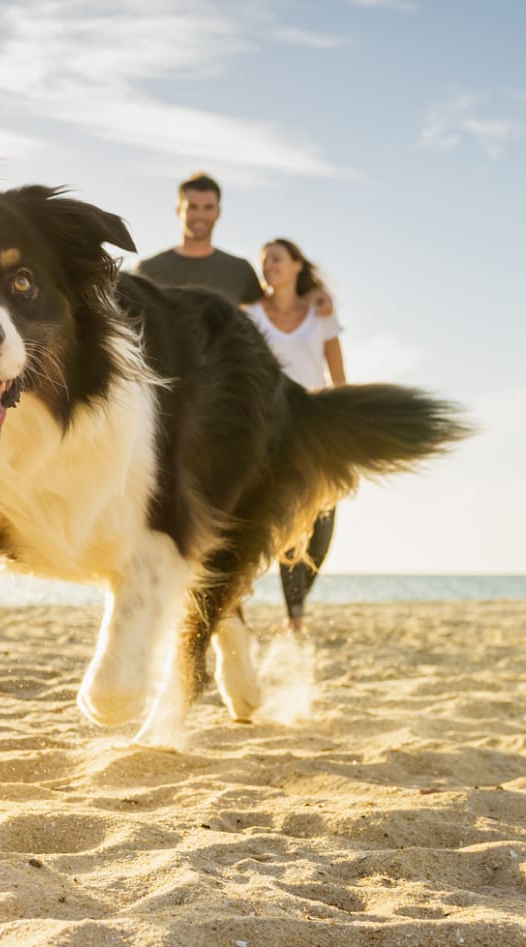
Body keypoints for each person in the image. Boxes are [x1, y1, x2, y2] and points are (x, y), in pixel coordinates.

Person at [246, 238, 345, 634]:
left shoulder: (321, 314)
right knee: (289, 515)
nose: (269, 265)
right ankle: (296, 618)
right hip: (272, 425)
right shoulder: (250, 314)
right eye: (264, 260)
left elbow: (338, 376)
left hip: (318, 426)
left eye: (277, 259)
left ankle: (297, 605)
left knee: (322, 522)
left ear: (297, 266)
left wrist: (345, 423)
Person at [135, 173, 264, 305]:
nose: (200, 216)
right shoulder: (148, 270)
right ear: (179, 210)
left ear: (218, 212)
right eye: (192, 207)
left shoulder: (240, 270)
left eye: (208, 207)